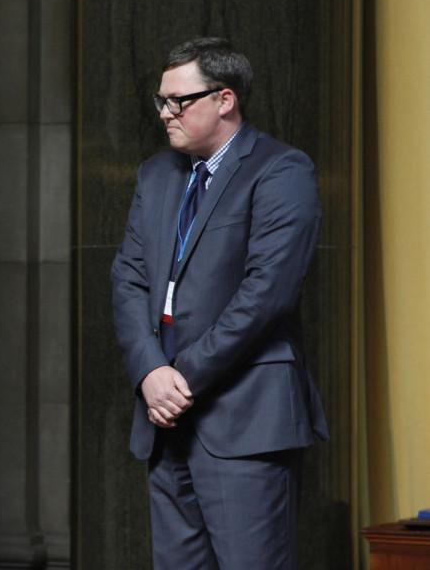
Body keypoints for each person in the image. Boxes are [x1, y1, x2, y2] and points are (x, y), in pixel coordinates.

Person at [111, 37, 328, 569]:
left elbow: (267, 293)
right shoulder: (155, 175)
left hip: (245, 417)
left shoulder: (280, 170)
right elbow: (128, 278)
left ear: (224, 99)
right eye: (160, 101)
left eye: (177, 101)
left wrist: (179, 377)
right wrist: (149, 372)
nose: (165, 114)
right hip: (165, 419)